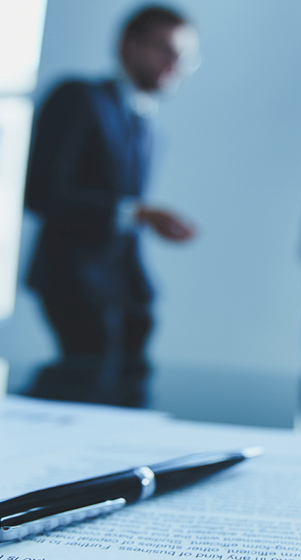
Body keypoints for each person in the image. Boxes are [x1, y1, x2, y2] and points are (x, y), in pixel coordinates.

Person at [23, 5, 198, 407]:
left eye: (184, 58)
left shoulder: (151, 128)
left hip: (125, 286)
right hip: (75, 279)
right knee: (83, 386)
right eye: (166, 51)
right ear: (129, 45)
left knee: (128, 384)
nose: (175, 65)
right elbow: (43, 194)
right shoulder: (79, 97)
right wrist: (136, 214)